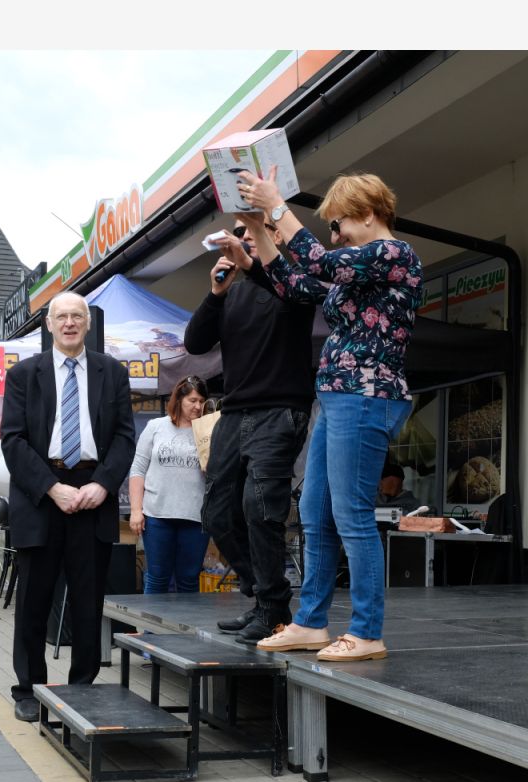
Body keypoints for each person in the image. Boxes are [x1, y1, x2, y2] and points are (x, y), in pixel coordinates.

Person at [234, 170, 422, 661]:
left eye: (338, 224)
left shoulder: (394, 254)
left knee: (352, 515)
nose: (334, 236)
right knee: (315, 513)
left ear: (368, 213)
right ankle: (311, 622)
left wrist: (276, 206)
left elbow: (317, 260)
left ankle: (367, 631)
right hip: (339, 398)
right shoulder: (360, 272)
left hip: (365, 395)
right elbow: (296, 285)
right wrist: (257, 230)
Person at [1, 291, 136, 722]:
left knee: (87, 600)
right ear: (49, 324)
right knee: (33, 601)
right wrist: (51, 488)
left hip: (94, 493)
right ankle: (29, 689)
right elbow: (13, 441)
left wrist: (103, 484)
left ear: (88, 323)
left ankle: (82, 689)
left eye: (77, 315)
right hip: (41, 493)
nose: (70, 323)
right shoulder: (24, 374)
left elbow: (125, 437)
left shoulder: (112, 373)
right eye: (61, 316)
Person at [184, 216, 315, 644]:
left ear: (275, 235)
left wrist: (251, 265)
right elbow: (194, 343)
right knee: (217, 513)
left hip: (280, 411)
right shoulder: (234, 292)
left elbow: (287, 291)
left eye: (253, 229)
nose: (244, 238)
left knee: (259, 507)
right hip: (235, 413)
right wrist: (215, 293)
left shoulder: (293, 281)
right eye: (239, 232)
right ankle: (264, 598)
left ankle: (273, 608)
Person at [129, 375, 210, 594]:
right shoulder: (156, 426)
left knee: (189, 580)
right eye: (192, 400)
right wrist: (136, 511)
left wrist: (212, 463)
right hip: (157, 515)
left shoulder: (209, 430)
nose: (197, 406)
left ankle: (186, 620)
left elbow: (218, 474)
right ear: (179, 399)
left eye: (201, 401)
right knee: (156, 578)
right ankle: (150, 620)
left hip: (195, 516)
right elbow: (137, 470)